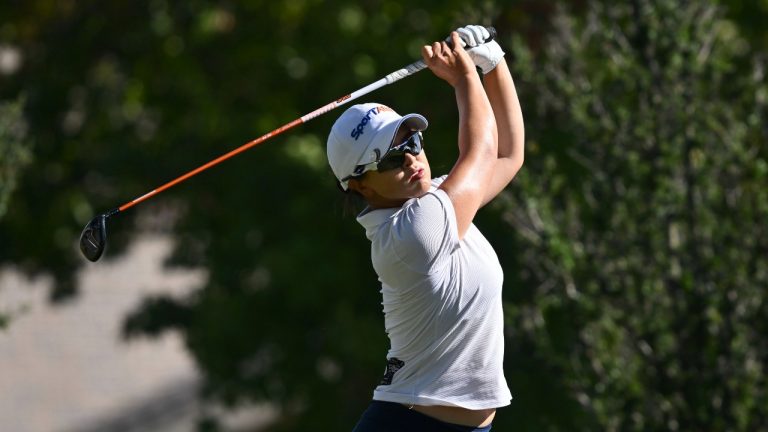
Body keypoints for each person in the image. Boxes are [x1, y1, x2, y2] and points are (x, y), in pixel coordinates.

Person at [326, 25, 524, 432]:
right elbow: (482, 150)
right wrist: (464, 76)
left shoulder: (436, 199)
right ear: (359, 186)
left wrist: (493, 62)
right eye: (391, 159)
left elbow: (508, 154)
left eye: (412, 142)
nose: (412, 160)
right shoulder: (412, 234)